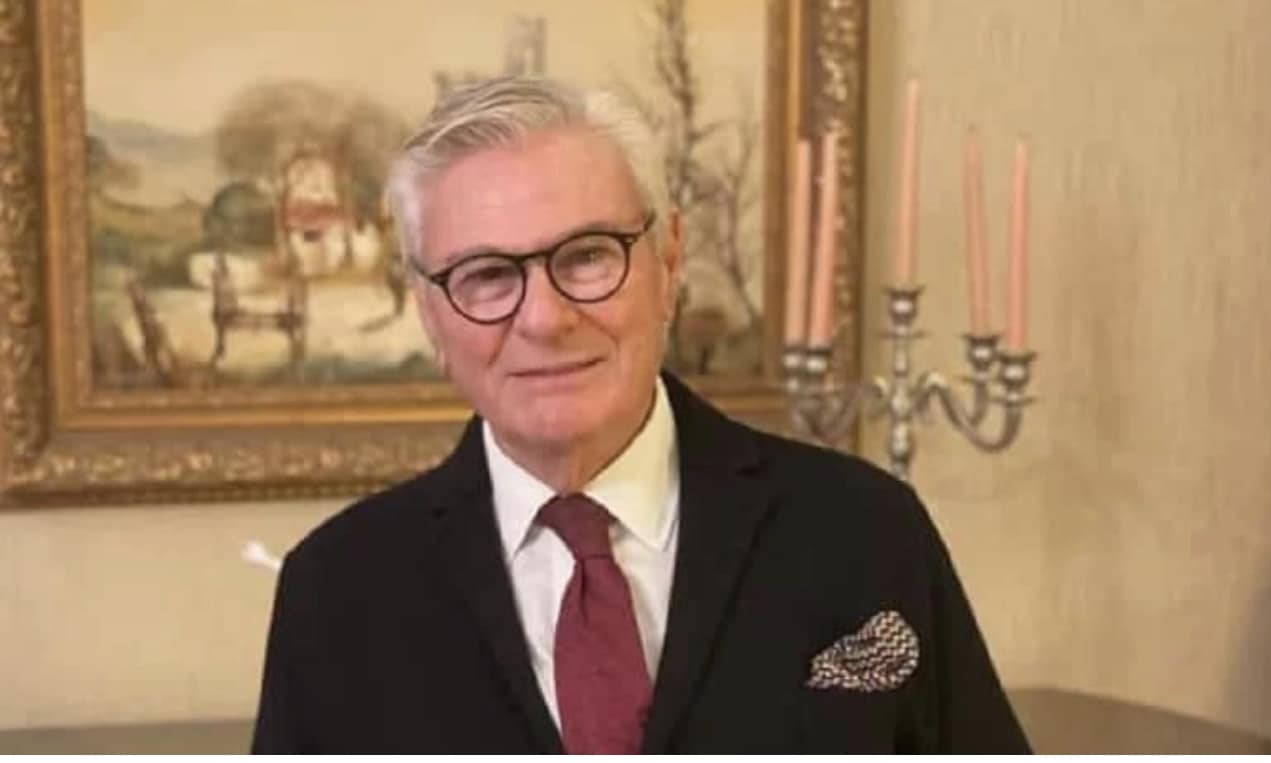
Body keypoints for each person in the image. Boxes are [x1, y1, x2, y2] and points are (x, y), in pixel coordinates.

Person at [251, 75, 1031, 754]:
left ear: (669, 259)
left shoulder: (865, 530)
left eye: (588, 255)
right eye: (487, 275)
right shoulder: (337, 592)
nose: (545, 318)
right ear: (429, 313)